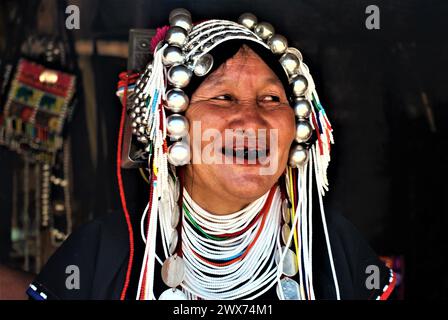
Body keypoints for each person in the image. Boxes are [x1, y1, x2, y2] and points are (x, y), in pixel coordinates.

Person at [27, 8, 395, 300]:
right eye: (223, 98)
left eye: (271, 99)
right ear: (170, 123)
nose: (252, 121)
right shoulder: (103, 253)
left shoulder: (332, 248)